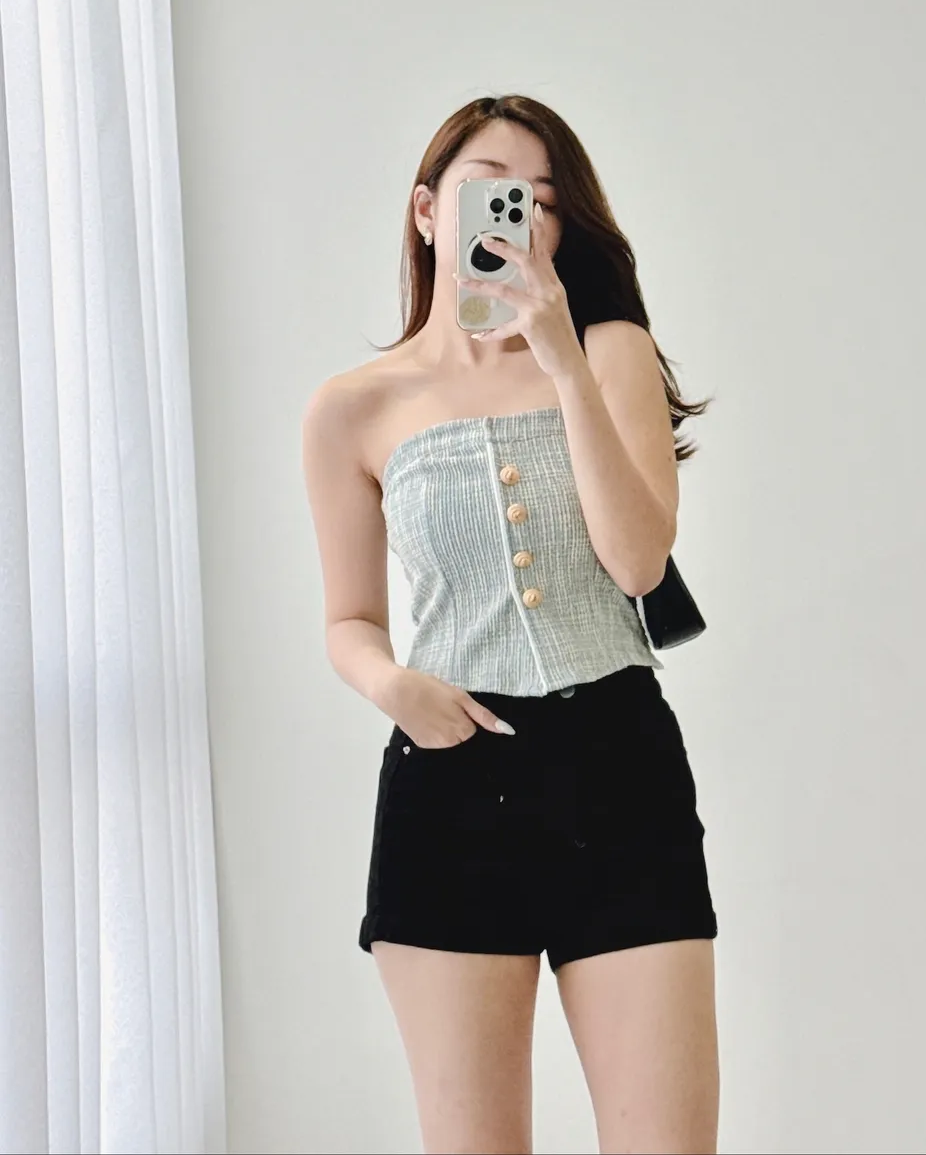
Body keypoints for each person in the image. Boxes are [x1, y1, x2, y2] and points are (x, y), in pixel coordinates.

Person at [301, 94, 719, 1155]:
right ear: (428, 212)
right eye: (490, 191)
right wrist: (393, 686)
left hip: (620, 772)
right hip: (449, 785)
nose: (516, 215)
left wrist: (560, 355)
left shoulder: (607, 351)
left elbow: (638, 559)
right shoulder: (353, 407)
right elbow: (348, 617)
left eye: (541, 200)